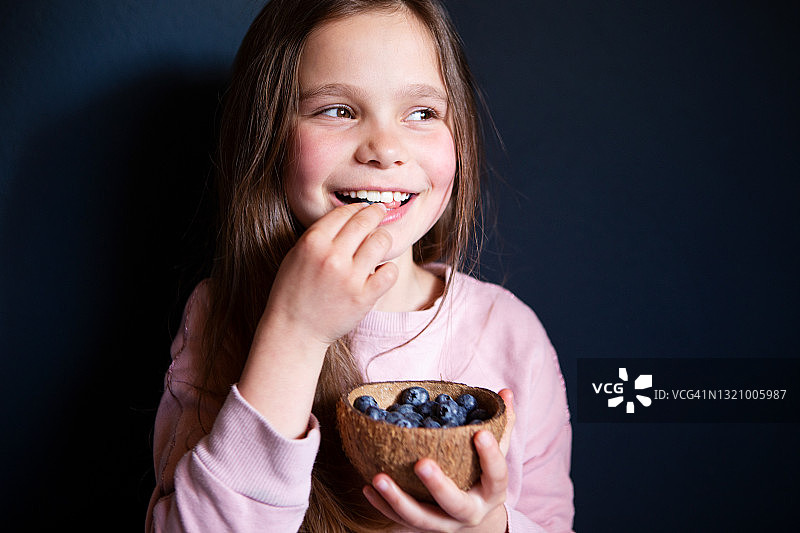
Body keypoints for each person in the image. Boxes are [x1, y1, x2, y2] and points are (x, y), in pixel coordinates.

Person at [146, 0, 574, 531]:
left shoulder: (511, 333)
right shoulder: (222, 314)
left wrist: (486, 525)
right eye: (338, 110)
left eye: (422, 113)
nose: (385, 149)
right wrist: (295, 334)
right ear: (271, 136)